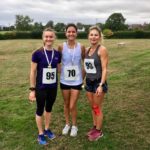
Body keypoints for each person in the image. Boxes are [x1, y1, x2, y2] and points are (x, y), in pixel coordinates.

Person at [29, 28, 61, 145]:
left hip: (53, 87)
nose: (48, 39)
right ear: (43, 38)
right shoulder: (37, 53)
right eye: (46, 36)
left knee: (49, 109)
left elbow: (59, 69)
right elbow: (32, 72)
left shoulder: (57, 53)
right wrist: (32, 90)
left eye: (51, 36)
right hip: (41, 88)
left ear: (54, 38)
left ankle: (47, 129)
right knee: (40, 110)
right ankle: (41, 133)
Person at [58, 23, 85, 137]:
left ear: (76, 33)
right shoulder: (61, 47)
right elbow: (57, 61)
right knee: (66, 103)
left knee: (72, 105)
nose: (71, 33)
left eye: (73, 31)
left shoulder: (81, 47)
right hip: (64, 81)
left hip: (77, 81)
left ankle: (74, 126)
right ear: (65, 33)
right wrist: (61, 72)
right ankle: (67, 124)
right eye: (69, 31)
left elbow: (86, 63)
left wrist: (82, 77)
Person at [84, 26, 108, 141]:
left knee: (97, 107)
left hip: (98, 83)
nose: (93, 37)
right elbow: (85, 67)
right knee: (92, 107)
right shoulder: (87, 50)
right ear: (88, 36)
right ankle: (94, 127)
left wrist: (101, 85)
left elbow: (104, 69)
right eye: (91, 35)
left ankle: (99, 131)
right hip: (88, 82)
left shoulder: (102, 49)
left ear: (99, 37)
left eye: (96, 35)